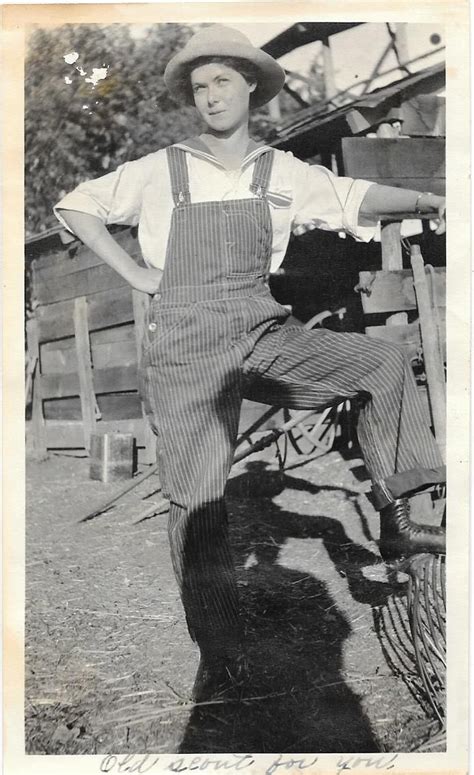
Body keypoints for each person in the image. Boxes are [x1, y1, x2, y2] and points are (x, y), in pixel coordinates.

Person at [55, 25, 446, 701]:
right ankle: (219, 653)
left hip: (264, 329)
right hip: (187, 342)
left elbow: (354, 198)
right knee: (199, 502)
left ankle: (397, 512)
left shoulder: (281, 171)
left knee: (380, 362)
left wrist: (428, 200)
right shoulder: (161, 168)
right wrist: (138, 274)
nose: (210, 96)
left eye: (223, 82)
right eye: (200, 86)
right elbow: (75, 205)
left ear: (252, 90)